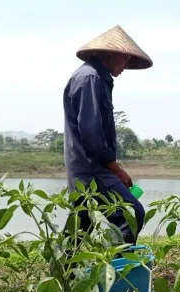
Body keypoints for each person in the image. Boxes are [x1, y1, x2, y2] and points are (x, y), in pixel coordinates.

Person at [62, 25, 153, 244]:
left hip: (84, 167)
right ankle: (114, 272)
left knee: (80, 228)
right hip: (92, 168)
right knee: (130, 213)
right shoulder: (90, 78)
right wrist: (115, 167)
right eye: (125, 60)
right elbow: (91, 131)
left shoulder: (92, 77)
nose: (126, 66)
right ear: (112, 54)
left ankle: (65, 276)